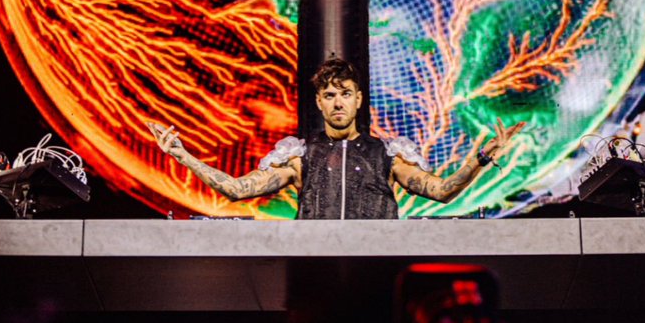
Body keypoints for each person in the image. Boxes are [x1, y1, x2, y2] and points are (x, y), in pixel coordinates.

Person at [149, 57, 525, 219]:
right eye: (330, 95)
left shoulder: (387, 154)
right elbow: (236, 189)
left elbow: (441, 191)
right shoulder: (299, 154)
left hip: (376, 264)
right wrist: (183, 155)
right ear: (319, 102)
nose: (338, 102)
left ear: (359, 99)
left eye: (345, 94)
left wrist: (481, 159)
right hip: (315, 265)